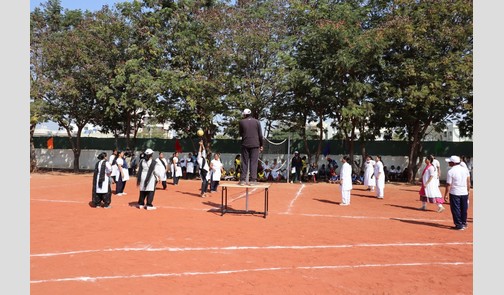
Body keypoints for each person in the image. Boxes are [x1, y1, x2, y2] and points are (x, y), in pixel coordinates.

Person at [443, 155, 471, 230]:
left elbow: (448, 184)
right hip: (464, 192)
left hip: (455, 192)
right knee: (464, 208)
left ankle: (459, 225)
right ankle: (464, 223)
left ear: (453, 163)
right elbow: (468, 181)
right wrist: (468, 191)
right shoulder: (465, 170)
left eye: (450, 162)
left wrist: (445, 194)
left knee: (456, 209)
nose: (448, 163)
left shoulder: (451, 171)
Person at [238, 108, 264, 185]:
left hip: (245, 143)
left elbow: (241, 133)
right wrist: (261, 145)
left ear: (244, 114)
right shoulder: (257, 122)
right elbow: (260, 135)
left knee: (245, 162)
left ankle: (242, 180)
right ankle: (253, 180)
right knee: (254, 162)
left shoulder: (241, 122)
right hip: (255, 144)